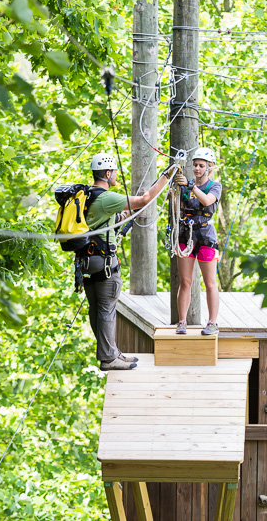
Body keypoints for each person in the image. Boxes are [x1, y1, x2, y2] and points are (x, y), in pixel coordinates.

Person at [82, 152, 176, 371]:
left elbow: (107, 218)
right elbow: (144, 200)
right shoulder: (106, 197)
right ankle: (108, 358)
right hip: (104, 263)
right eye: (114, 172)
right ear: (107, 173)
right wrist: (166, 175)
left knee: (96, 308)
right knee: (106, 309)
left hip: (85, 262)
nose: (115, 175)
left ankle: (111, 352)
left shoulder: (87, 196)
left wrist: (127, 218)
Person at [173, 147, 223, 336]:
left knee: (210, 282)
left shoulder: (214, 186)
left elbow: (208, 201)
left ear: (209, 168)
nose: (197, 169)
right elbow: (180, 206)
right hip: (186, 235)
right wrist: (175, 193)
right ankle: (182, 321)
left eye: (201, 166)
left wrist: (190, 186)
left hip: (206, 236)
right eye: (195, 165)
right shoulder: (187, 185)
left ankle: (212, 322)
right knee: (185, 281)